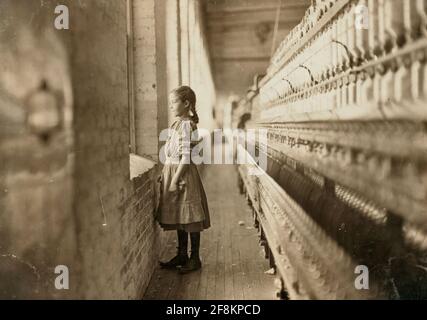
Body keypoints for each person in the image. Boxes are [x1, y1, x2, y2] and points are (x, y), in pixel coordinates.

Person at [156, 85, 210, 273]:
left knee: (190, 217)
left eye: (174, 102)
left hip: (183, 174)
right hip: (174, 170)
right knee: (181, 215)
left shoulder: (187, 125)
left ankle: (195, 258)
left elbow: (186, 157)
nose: (171, 106)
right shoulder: (178, 124)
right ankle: (182, 255)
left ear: (186, 103)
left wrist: (174, 179)